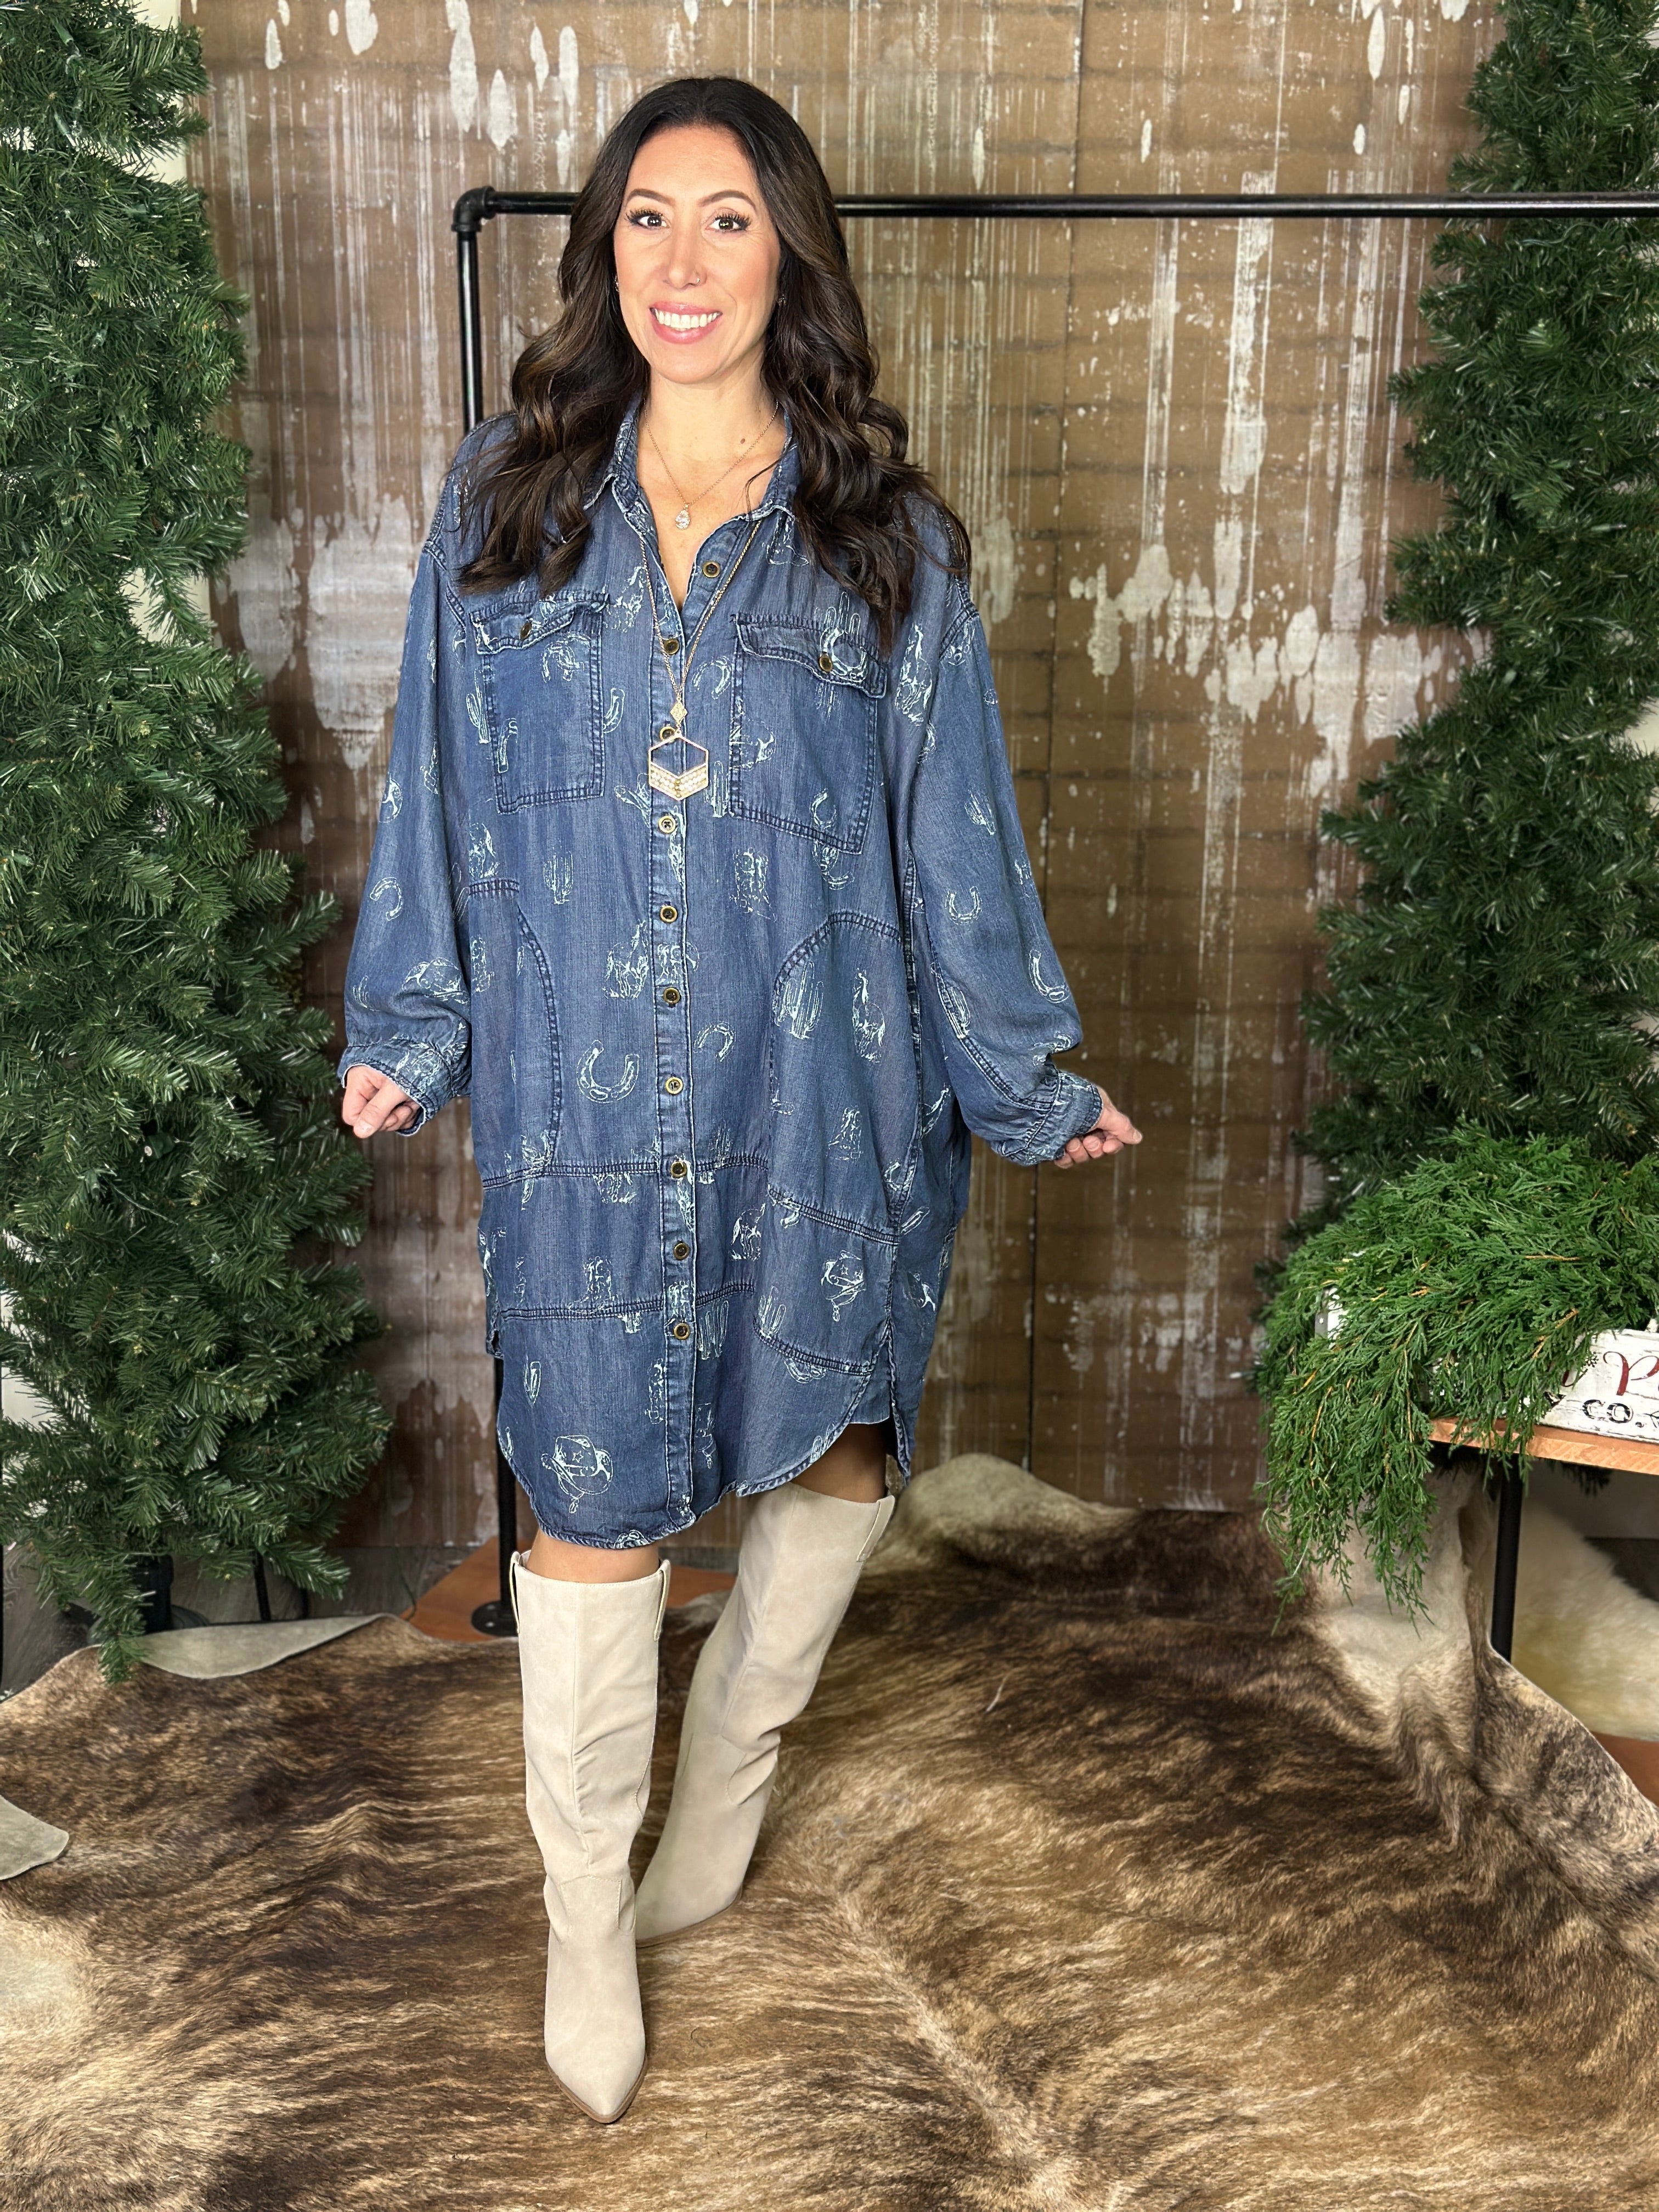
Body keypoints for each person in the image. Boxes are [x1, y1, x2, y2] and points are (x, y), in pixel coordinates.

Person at [338, 75, 1141, 2124]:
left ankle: (725, 1794)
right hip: (583, 1109)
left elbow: (955, 832)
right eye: (645, 219)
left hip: (826, 1084)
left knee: (840, 1443)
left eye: (724, 220)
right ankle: (582, 1908)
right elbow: (437, 780)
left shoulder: (889, 542)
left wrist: (1022, 1077)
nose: (680, 262)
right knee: (588, 1489)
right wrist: (408, 1024)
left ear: (789, 253)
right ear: (603, 254)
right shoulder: (505, 503)